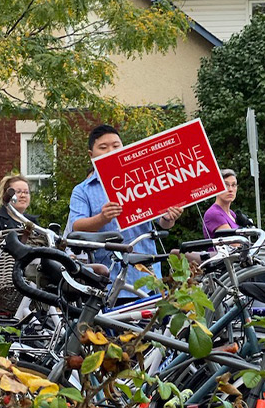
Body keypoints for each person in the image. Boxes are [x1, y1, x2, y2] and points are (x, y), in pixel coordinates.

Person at [68, 125, 183, 299]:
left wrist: (170, 217)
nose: (111, 151)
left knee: (151, 324)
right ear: (91, 156)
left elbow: (163, 222)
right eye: (103, 147)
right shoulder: (82, 190)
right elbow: (77, 228)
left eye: (116, 146)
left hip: (148, 276)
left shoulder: (143, 178)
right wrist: (101, 218)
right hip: (108, 279)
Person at [0, 175, 38, 249]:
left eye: (26, 192)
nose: (23, 195)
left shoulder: (32, 222)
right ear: (7, 195)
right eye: (18, 192)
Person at [202, 169, 238, 238]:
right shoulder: (213, 213)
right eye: (226, 185)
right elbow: (235, 243)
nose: (230, 189)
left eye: (233, 185)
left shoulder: (232, 214)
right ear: (216, 186)